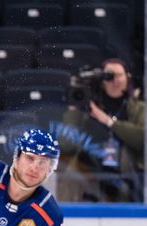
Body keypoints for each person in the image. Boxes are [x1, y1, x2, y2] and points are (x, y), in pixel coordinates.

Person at [59, 58, 145, 202]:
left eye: (119, 75)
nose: (114, 80)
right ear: (102, 80)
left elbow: (142, 138)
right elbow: (65, 145)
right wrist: (74, 107)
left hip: (128, 175)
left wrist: (107, 121)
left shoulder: (139, 109)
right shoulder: (86, 107)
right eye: (109, 76)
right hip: (90, 174)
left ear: (128, 78)